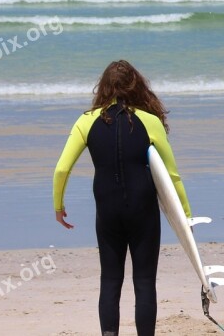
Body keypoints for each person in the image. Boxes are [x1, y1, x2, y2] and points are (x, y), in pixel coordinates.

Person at [52, 60, 192, 336]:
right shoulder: (150, 121)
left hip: (107, 211)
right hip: (143, 210)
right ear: (136, 86)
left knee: (110, 279)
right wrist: (184, 214)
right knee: (144, 281)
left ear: (104, 86)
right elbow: (172, 175)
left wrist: (59, 205)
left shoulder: (86, 120)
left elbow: (61, 168)